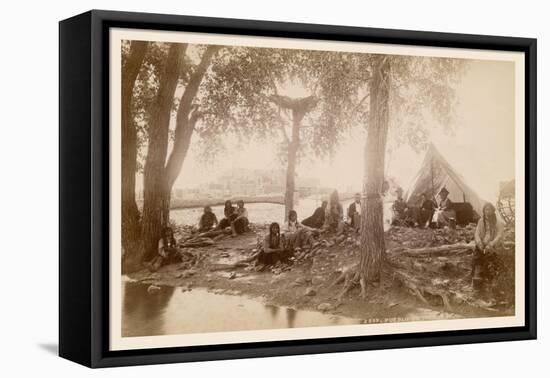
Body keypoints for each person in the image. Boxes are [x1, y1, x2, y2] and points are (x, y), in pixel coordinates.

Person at [472, 203, 504, 293]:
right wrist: (479, 243)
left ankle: (492, 280)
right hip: (483, 244)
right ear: (484, 211)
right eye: (486, 210)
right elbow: (477, 233)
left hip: (494, 245)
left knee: (491, 260)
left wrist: (491, 244)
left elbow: (499, 236)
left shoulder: (498, 222)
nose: (487, 212)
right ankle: (478, 276)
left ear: (493, 211)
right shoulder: (481, 221)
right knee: (478, 256)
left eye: (489, 209)